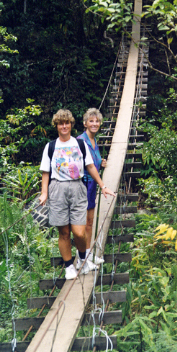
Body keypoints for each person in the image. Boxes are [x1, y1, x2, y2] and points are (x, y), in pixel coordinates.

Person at [39, 109, 115, 280]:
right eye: (60, 123)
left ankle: (81, 257)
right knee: (64, 232)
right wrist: (44, 193)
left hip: (77, 188)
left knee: (79, 232)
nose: (64, 126)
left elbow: (90, 166)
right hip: (57, 189)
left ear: (71, 125)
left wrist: (102, 186)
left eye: (67, 123)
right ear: (56, 126)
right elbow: (45, 172)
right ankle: (68, 267)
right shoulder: (50, 147)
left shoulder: (80, 145)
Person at [77, 108, 106, 266]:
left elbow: (93, 163)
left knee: (89, 222)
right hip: (82, 185)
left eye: (97, 121)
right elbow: (82, 165)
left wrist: (101, 164)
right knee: (80, 224)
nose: (95, 124)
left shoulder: (95, 141)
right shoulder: (80, 141)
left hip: (92, 185)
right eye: (91, 121)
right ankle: (81, 258)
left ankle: (88, 255)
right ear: (85, 123)